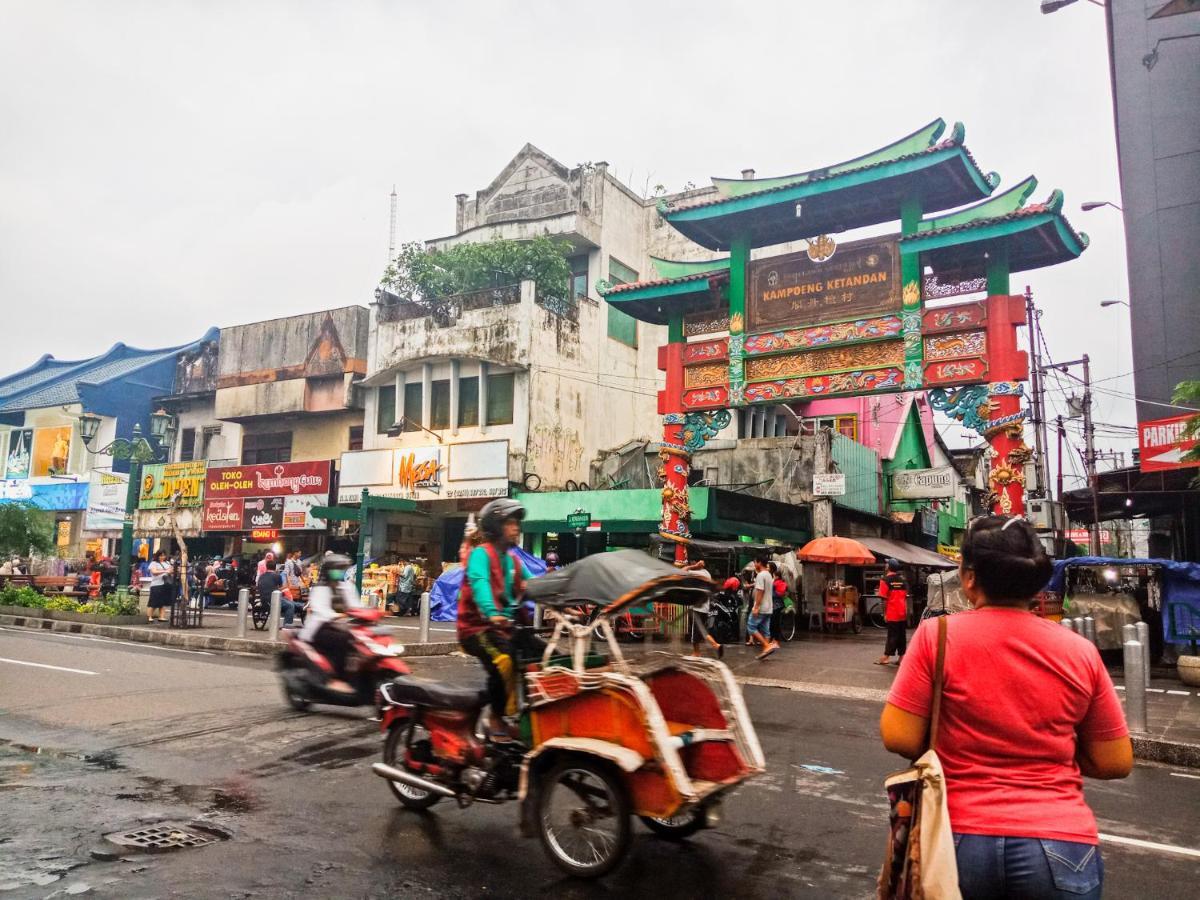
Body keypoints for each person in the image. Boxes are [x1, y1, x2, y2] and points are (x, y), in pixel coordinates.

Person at [880, 515, 1132, 900]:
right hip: (1061, 842)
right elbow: (1115, 761)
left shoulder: (938, 636)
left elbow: (898, 733)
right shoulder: (1080, 651)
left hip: (960, 842)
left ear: (969, 577)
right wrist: (1047, 748)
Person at [457, 497, 535, 741]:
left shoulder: (513, 560)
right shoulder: (481, 555)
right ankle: (495, 717)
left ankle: (532, 715)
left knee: (545, 658)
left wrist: (565, 605)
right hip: (476, 629)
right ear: (496, 527)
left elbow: (534, 584)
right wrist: (492, 613)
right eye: (510, 523)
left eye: (517, 524)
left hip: (505, 628)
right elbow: (480, 585)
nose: (516, 528)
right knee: (504, 660)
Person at [299, 553, 361, 694]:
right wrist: (337, 616)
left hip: (342, 626)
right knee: (343, 640)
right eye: (337, 569)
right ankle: (337, 678)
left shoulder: (347, 587)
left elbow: (357, 607)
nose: (340, 572)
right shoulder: (320, 588)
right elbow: (322, 611)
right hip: (321, 628)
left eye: (342, 569)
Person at [684, 559, 723, 659]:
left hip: (698, 608)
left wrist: (693, 567)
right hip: (704, 608)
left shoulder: (697, 573)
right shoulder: (707, 573)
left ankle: (697, 653)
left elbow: (683, 570)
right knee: (701, 631)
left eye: (692, 562)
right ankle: (716, 645)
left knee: (695, 633)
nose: (691, 564)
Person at [875, 558, 909, 665]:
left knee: (892, 635)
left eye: (886, 564)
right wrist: (906, 612)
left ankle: (886, 657)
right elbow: (905, 598)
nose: (885, 566)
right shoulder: (902, 580)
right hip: (902, 612)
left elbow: (884, 599)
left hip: (892, 612)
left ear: (888, 567)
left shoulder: (885, 581)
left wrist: (884, 613)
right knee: (901, 635)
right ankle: (902, 658)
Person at [748, 557, 779, 660]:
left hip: (761, 607)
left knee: (751, 626)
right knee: (766, 631)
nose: (754, 564)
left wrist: (756, 607)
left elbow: (760, 591)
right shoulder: (769, 575)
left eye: (755, 562)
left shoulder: (761, 575)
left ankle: (767, 646)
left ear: (759, 563)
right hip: (769, 607)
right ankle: (765, 651)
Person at [257, 559, 296, 626]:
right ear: (275, 567)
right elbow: (280, 588)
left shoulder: (261, 576)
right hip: (273, 601)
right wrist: (286, 586)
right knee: (290, 606)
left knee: (291, 602)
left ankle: (300, 606)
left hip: (263, 601)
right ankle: (287, 626)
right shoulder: (277, 576)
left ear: (266, 567)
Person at [147, 550, 172, 624]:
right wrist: (165, 571)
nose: (162, 557)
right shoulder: (153, 563)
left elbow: (171, 570)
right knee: (153, 601)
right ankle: (149, 616)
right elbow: (154, 572)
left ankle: (161, 616)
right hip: (156, 584)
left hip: (165, 584)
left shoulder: (167, 563)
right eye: (160, 556)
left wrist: (170, 571)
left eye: (163, 555)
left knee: (163, 602)